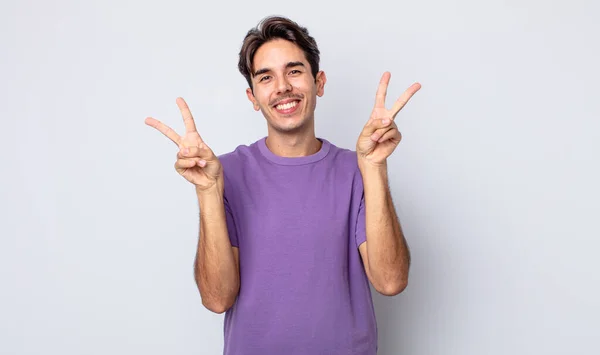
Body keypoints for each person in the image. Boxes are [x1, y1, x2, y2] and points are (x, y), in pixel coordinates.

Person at [145, 15, 420, 355]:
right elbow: (217, 299)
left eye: (294, 71)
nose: (282, 87)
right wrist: (207, 192)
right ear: (253, 96)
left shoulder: (357, 169)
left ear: (318, 82)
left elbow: (390, 281)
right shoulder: (224, 172)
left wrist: (375, 168)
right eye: (266, 77)